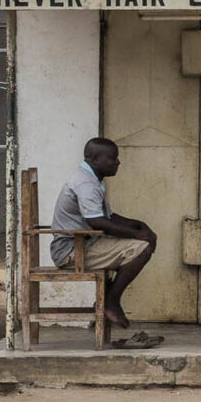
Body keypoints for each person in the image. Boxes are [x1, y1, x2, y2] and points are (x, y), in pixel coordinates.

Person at [51, 137, 158, 341]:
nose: (117, 162)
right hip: (71, 251)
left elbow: (108, 217)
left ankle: (106, 300)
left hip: (86, 244)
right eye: (112, 158)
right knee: (141, 248)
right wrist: (137, 234)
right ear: (93, 158)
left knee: (141, 243)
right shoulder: (85, 183)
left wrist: (138, 224)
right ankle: (111, 301)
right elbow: (97, 223)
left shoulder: (94, 179)